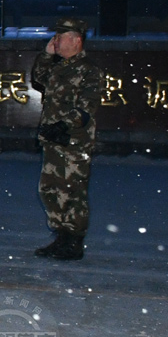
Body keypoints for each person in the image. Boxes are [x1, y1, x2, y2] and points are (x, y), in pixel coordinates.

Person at [31, 17, 103, 261]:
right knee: (50, 189)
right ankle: (61, 236)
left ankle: (74, 241)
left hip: (74, 142)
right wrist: (46, 54)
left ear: (76, 40)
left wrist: (63, 125)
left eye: (60, 37)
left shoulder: (89, 70)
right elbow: (38, 79)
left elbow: (86, 108)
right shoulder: (58, 67)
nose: (56, 41)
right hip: (53, 139)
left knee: (73, 191)